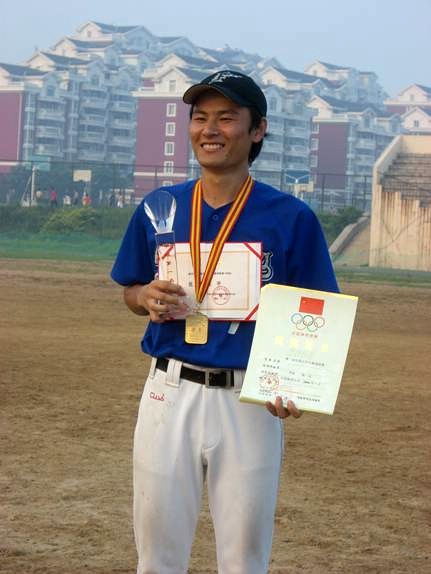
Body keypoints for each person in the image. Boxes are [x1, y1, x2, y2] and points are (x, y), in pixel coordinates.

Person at [111, 70, 338, 574]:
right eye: (200, 117)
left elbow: (317, 308)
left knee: (243, 560)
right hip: (169, 391)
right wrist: (144, 296)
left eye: (226, 118)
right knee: (157, 556)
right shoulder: (160, 207)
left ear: (257, 130)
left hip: (250, 400)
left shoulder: (290, 216)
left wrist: (297, 380)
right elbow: (130, 289)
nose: (209, 129)